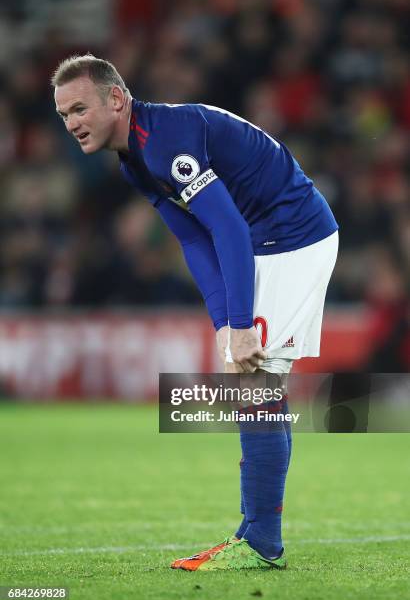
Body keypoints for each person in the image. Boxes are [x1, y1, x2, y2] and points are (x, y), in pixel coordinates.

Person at [52, 54, 338, 571]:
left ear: (116, 99)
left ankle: (260, 543)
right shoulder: (133, 158)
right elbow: (193, 239)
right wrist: (226, 323)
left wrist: (244, 322)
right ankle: (255, 534)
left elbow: (226, 227)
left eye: (79, 109)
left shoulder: (163, 142)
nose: (71, 124)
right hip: (268, 237)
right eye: (64, 115)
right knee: (256, 385)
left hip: (290, 234)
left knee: (254, 387)